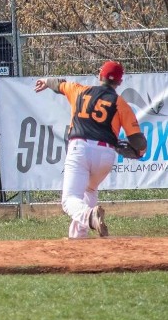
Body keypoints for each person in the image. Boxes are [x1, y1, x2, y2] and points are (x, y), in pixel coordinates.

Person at [34, 60, 146, 239]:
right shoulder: (119, 102)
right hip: (106, 155)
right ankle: (79, 237)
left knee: (69, 199)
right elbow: (138, 141)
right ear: (119, 82)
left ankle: (89, 216)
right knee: (89, 190)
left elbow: (59, 84)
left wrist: (46, 81)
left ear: (100, 75)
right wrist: (139, 152)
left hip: (80, 149)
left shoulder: (79, 90)